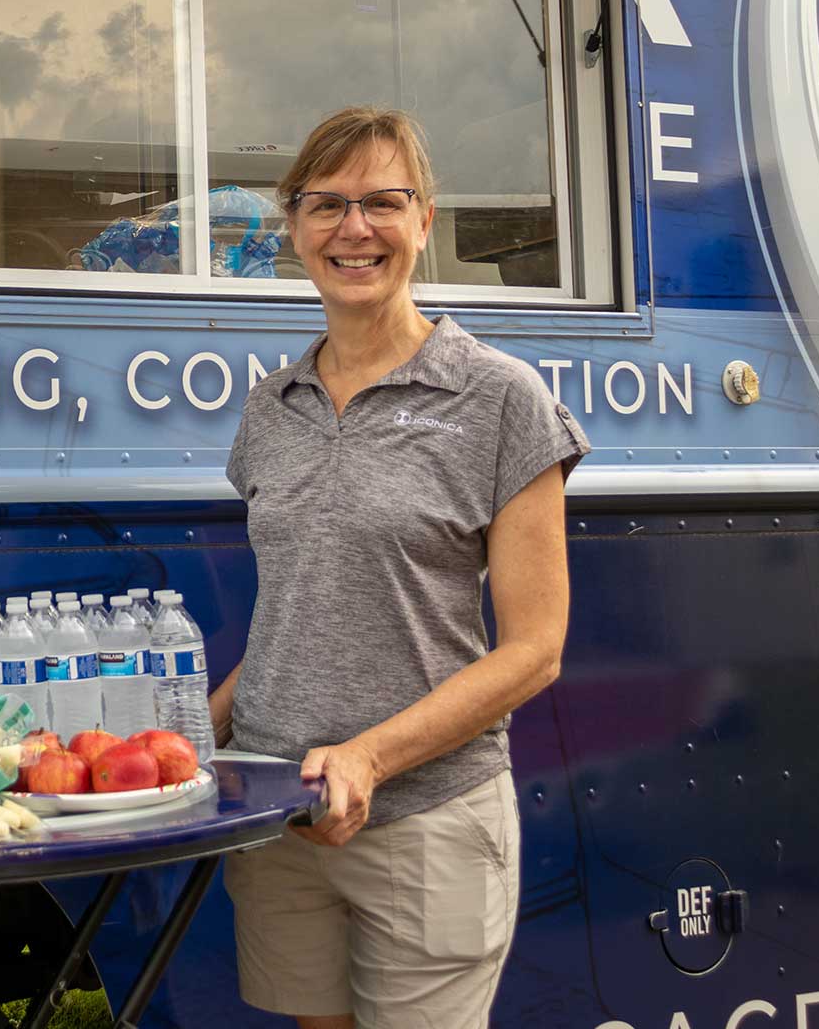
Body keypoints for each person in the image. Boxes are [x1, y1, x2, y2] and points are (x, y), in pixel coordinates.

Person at [214, 106, 589, 1029]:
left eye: (382, 202)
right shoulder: (272, 406)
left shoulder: (501, 398)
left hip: (427, 823)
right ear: (294, 227)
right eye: (326, 205)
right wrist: (186, 738)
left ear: (425, 221)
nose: (354, 230)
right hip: (281, 815)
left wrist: (370, 758)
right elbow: (291, 620)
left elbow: (536, 651)